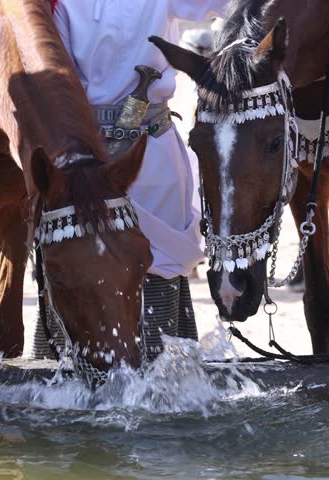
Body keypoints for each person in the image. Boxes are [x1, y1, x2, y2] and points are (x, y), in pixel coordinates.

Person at [33, 0, 228, 360]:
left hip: (148, 150)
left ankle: (161, 374)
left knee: (160, 262)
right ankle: (77, 374)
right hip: (84, 160)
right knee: (78, 263)